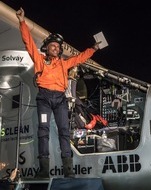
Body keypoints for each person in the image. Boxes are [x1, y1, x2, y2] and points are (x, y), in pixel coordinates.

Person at [16, 7, 100, 178]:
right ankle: (44, 170)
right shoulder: (40, 60)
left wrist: (94, 49)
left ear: (60, 50)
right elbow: (28, 42)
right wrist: (22, 22)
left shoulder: (64, 63)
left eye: (57, 46)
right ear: (46, 48)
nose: (55, 48)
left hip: (60, 99)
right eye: (52, 46)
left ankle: (68, 170)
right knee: (43, 131)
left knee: (63, 130)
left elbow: (81, 57)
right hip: (44, 99)